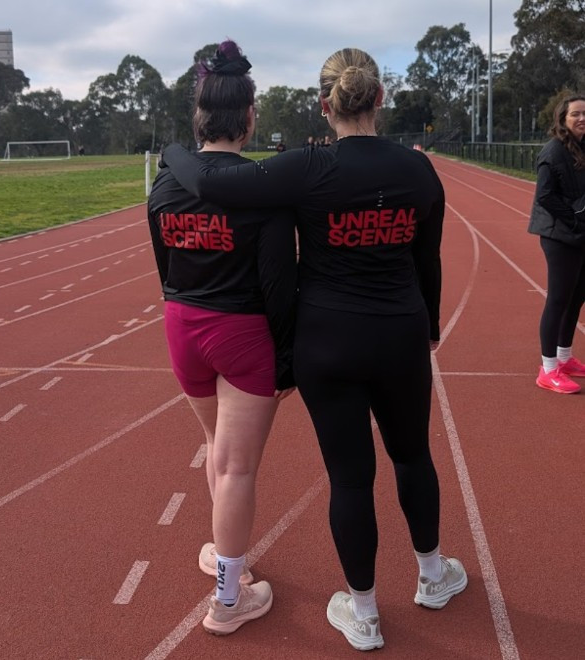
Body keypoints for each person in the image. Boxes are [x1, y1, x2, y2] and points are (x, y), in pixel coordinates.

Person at [162, 47, 467, 652]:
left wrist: (172, 151)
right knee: (413, 456)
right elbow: (426, 258)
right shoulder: (418, 170)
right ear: (380, 97)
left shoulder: (306, 166)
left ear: (324, 105)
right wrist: (430, 325)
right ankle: (433, 575)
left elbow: (211, 179)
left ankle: (364, 614)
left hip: (325, 341)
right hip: (400, 332)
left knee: (350, 480)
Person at [147, 40, 297, 635]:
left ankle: (222, 553)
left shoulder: (165, 185)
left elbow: (163, 265)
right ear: (250, 118)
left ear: (199, 116)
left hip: (182, 325)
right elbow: (279, 284)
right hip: (243, 332)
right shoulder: (261, 189)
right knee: (237, 467)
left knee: (216, 446)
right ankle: (229, 601)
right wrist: (288, 362)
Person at [528, 93, 585, 394]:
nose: (582, 118)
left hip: (579, 234)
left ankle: (564, 358)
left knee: (577, 297)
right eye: (576, 114)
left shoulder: (582, 147)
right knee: (559, 299)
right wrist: (574, 218)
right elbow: (545, 195)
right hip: (558, 235)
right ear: (563, 118)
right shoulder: (553, 151)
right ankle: (548, 369)